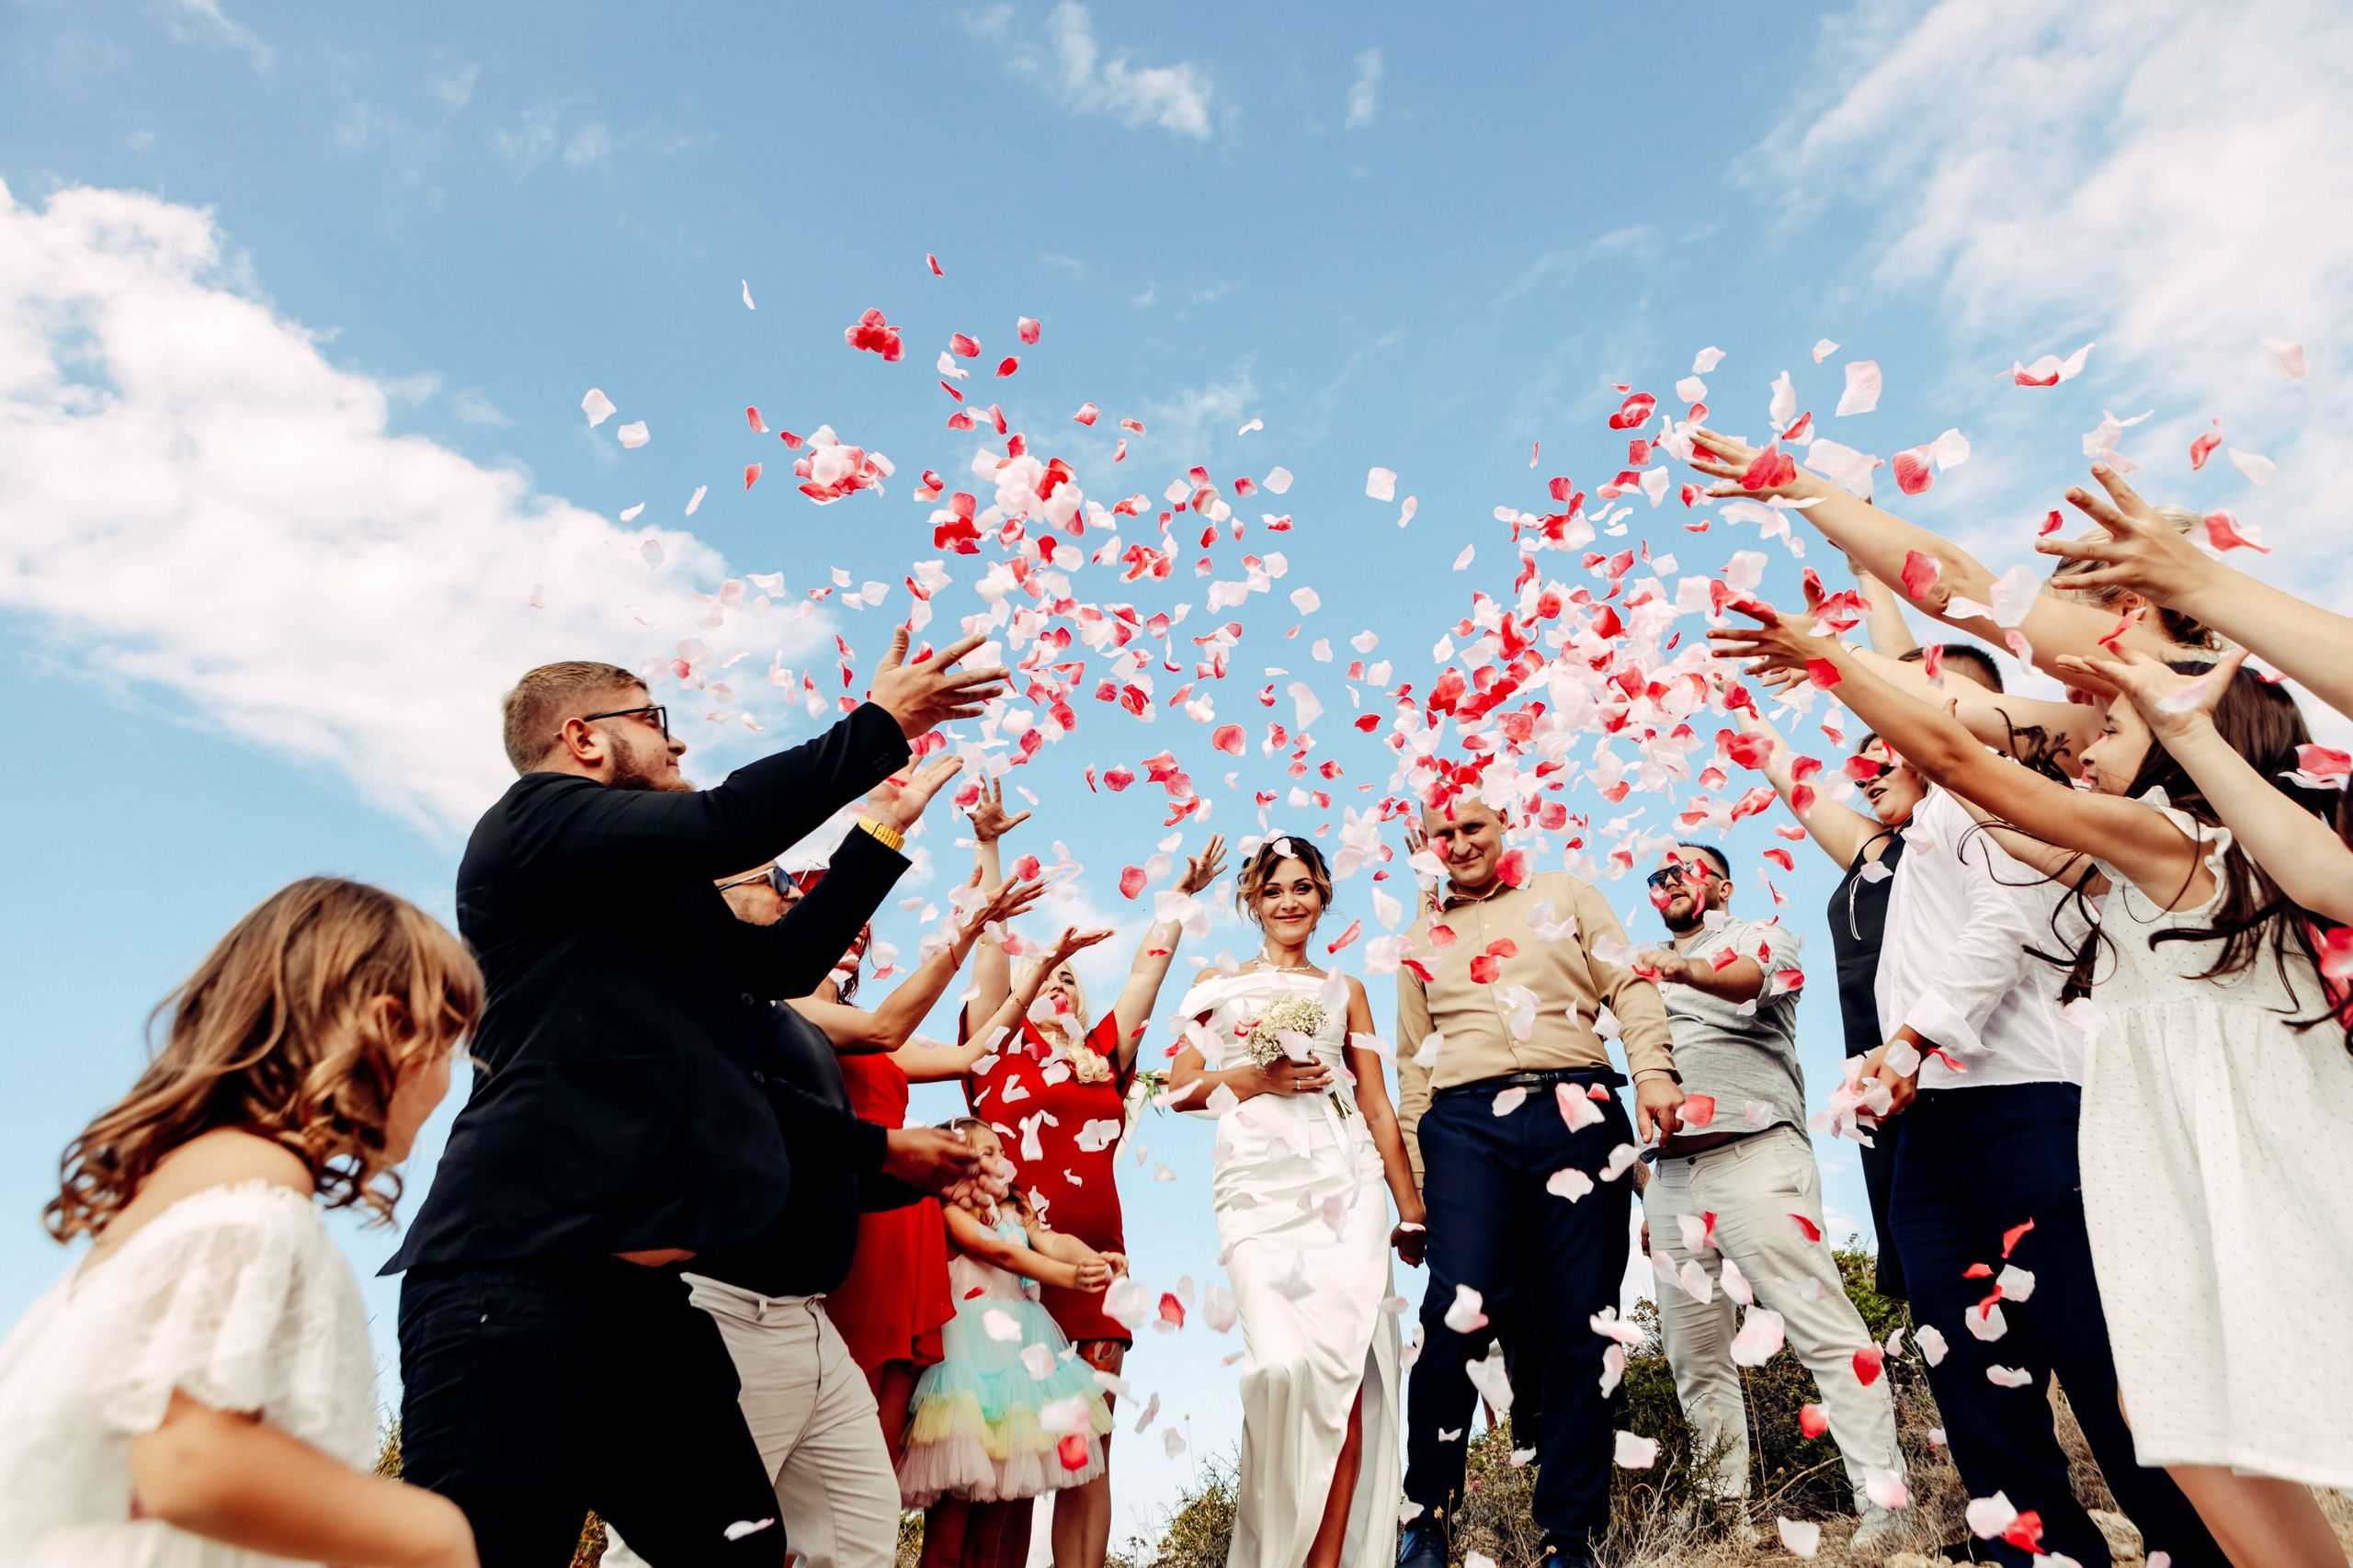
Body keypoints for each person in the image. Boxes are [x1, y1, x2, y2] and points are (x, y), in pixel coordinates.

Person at [1716, 587, 2341, 1568]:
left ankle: (2195, 1545)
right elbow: (1846, 782)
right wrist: (1775, 721)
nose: (1895, 734)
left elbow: (1999, 923)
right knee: (1964, 1360)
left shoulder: (2029, 811)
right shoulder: (1910, 839)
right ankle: (2034, 1551)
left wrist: (1918, 1035)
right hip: (1929, 1128)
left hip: (2027, 1104)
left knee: (2113, 1363)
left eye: (1923, 707)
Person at [389, 635, 1004, 1568]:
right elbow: (727, 824)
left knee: (740, 1551)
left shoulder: (650, 899)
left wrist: (880, 828)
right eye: (653, 719)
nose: (676, 745)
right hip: (513, 1286)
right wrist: (879, 725)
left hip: (646, 1309)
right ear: (582, 738)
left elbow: (777, 964)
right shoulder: (532, 826)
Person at [0, 878, 483, 1568]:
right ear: (389, 1028)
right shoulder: (254, 1207)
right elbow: (189, 1459)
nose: (445, 1082)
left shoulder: (168, 1200)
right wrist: (435, 1536)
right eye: (449, 1049)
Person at [1392, 796, 1685, 1568]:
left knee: (1582, 1323)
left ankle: (1570, 1535)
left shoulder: (1566, 894)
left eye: (1472, 828)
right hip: (1463, 1126)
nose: (1459, 843)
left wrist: (1651, 1069)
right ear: (1426, 844)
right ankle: (1425, 1516)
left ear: (1502, 829)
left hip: (1579, 1107)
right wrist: (1418, 1192)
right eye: (1443, 834)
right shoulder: (1419, 937)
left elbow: (1630, 987)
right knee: (1454, 1315)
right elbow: (1413, 1065)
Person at [961, 802, 1229, 1568]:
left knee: (1084, 1449)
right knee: (1008, 1454)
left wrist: (1177, 901)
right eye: (1046, 974)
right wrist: (988, 848)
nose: (1059, 985)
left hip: (1094, 1267)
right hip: (1004, 1268)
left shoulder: (1102, 1055)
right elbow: (989, 948)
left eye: (1071, 978)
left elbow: (1147, 973)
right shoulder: (989, 1053)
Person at [728, 847, 1051, 1466]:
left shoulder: (855, 1023)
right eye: (843, 923)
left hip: (899, 1205)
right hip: (850, 1206)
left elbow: (965, 1058)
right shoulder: (777, 1006)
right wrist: (967, 932)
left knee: (875, 1425)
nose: (857, 938)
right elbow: (887, 1029)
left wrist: (1035, 974)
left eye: (865, 932)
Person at [1629, 846, 1908, 1554]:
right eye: (1658, 875)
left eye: (1685, 868)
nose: (1669, 881)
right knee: (1696, 1359)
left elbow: (1755, 981)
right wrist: (1646, 1190)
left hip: (1755, 1158)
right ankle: (1723, 1518)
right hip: (1671, 1181)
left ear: (1721, 884)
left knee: (1825, 1333)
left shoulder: (1757, 935)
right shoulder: (1640, 977)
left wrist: (1685, 968)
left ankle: (1885, 1508)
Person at [1168, 835, 1424, 1568]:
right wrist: (1258, 1076)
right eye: (1275, 890)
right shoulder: (1217, 985)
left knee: (1345, 1382)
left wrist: (1410, 1209)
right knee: (1280, 1368)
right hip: (1256, 1188)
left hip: (1343, 1186)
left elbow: (1377, 1104)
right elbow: (1181, 1089)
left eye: (1303, 888)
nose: (1290, 902)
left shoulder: (1348, 991)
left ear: (1322, 897)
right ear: (1253, 900)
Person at [1724, 705, 1921, 1299]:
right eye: (1861, 775)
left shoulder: (1977, 832)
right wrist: (1737, 700)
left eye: (1885, 764)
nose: (1870, 780)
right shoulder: (1877, 850)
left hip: (1962, 1057)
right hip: (1879, 1076)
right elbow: (1790, 777)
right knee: (1932, 1263)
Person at [900, 1119, 1119, 1568]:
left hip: (1021, 1374)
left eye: (1003, 1152)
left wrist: (1091, 1260)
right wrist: (1069, 1279)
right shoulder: (952, 1211)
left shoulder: (1019, 1213)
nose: (1003, 1161)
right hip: (969, 1371)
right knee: (946, 1540)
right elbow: (1000, 1253)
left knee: (990, 1538)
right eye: (988, 1153)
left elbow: (1051, 1241)